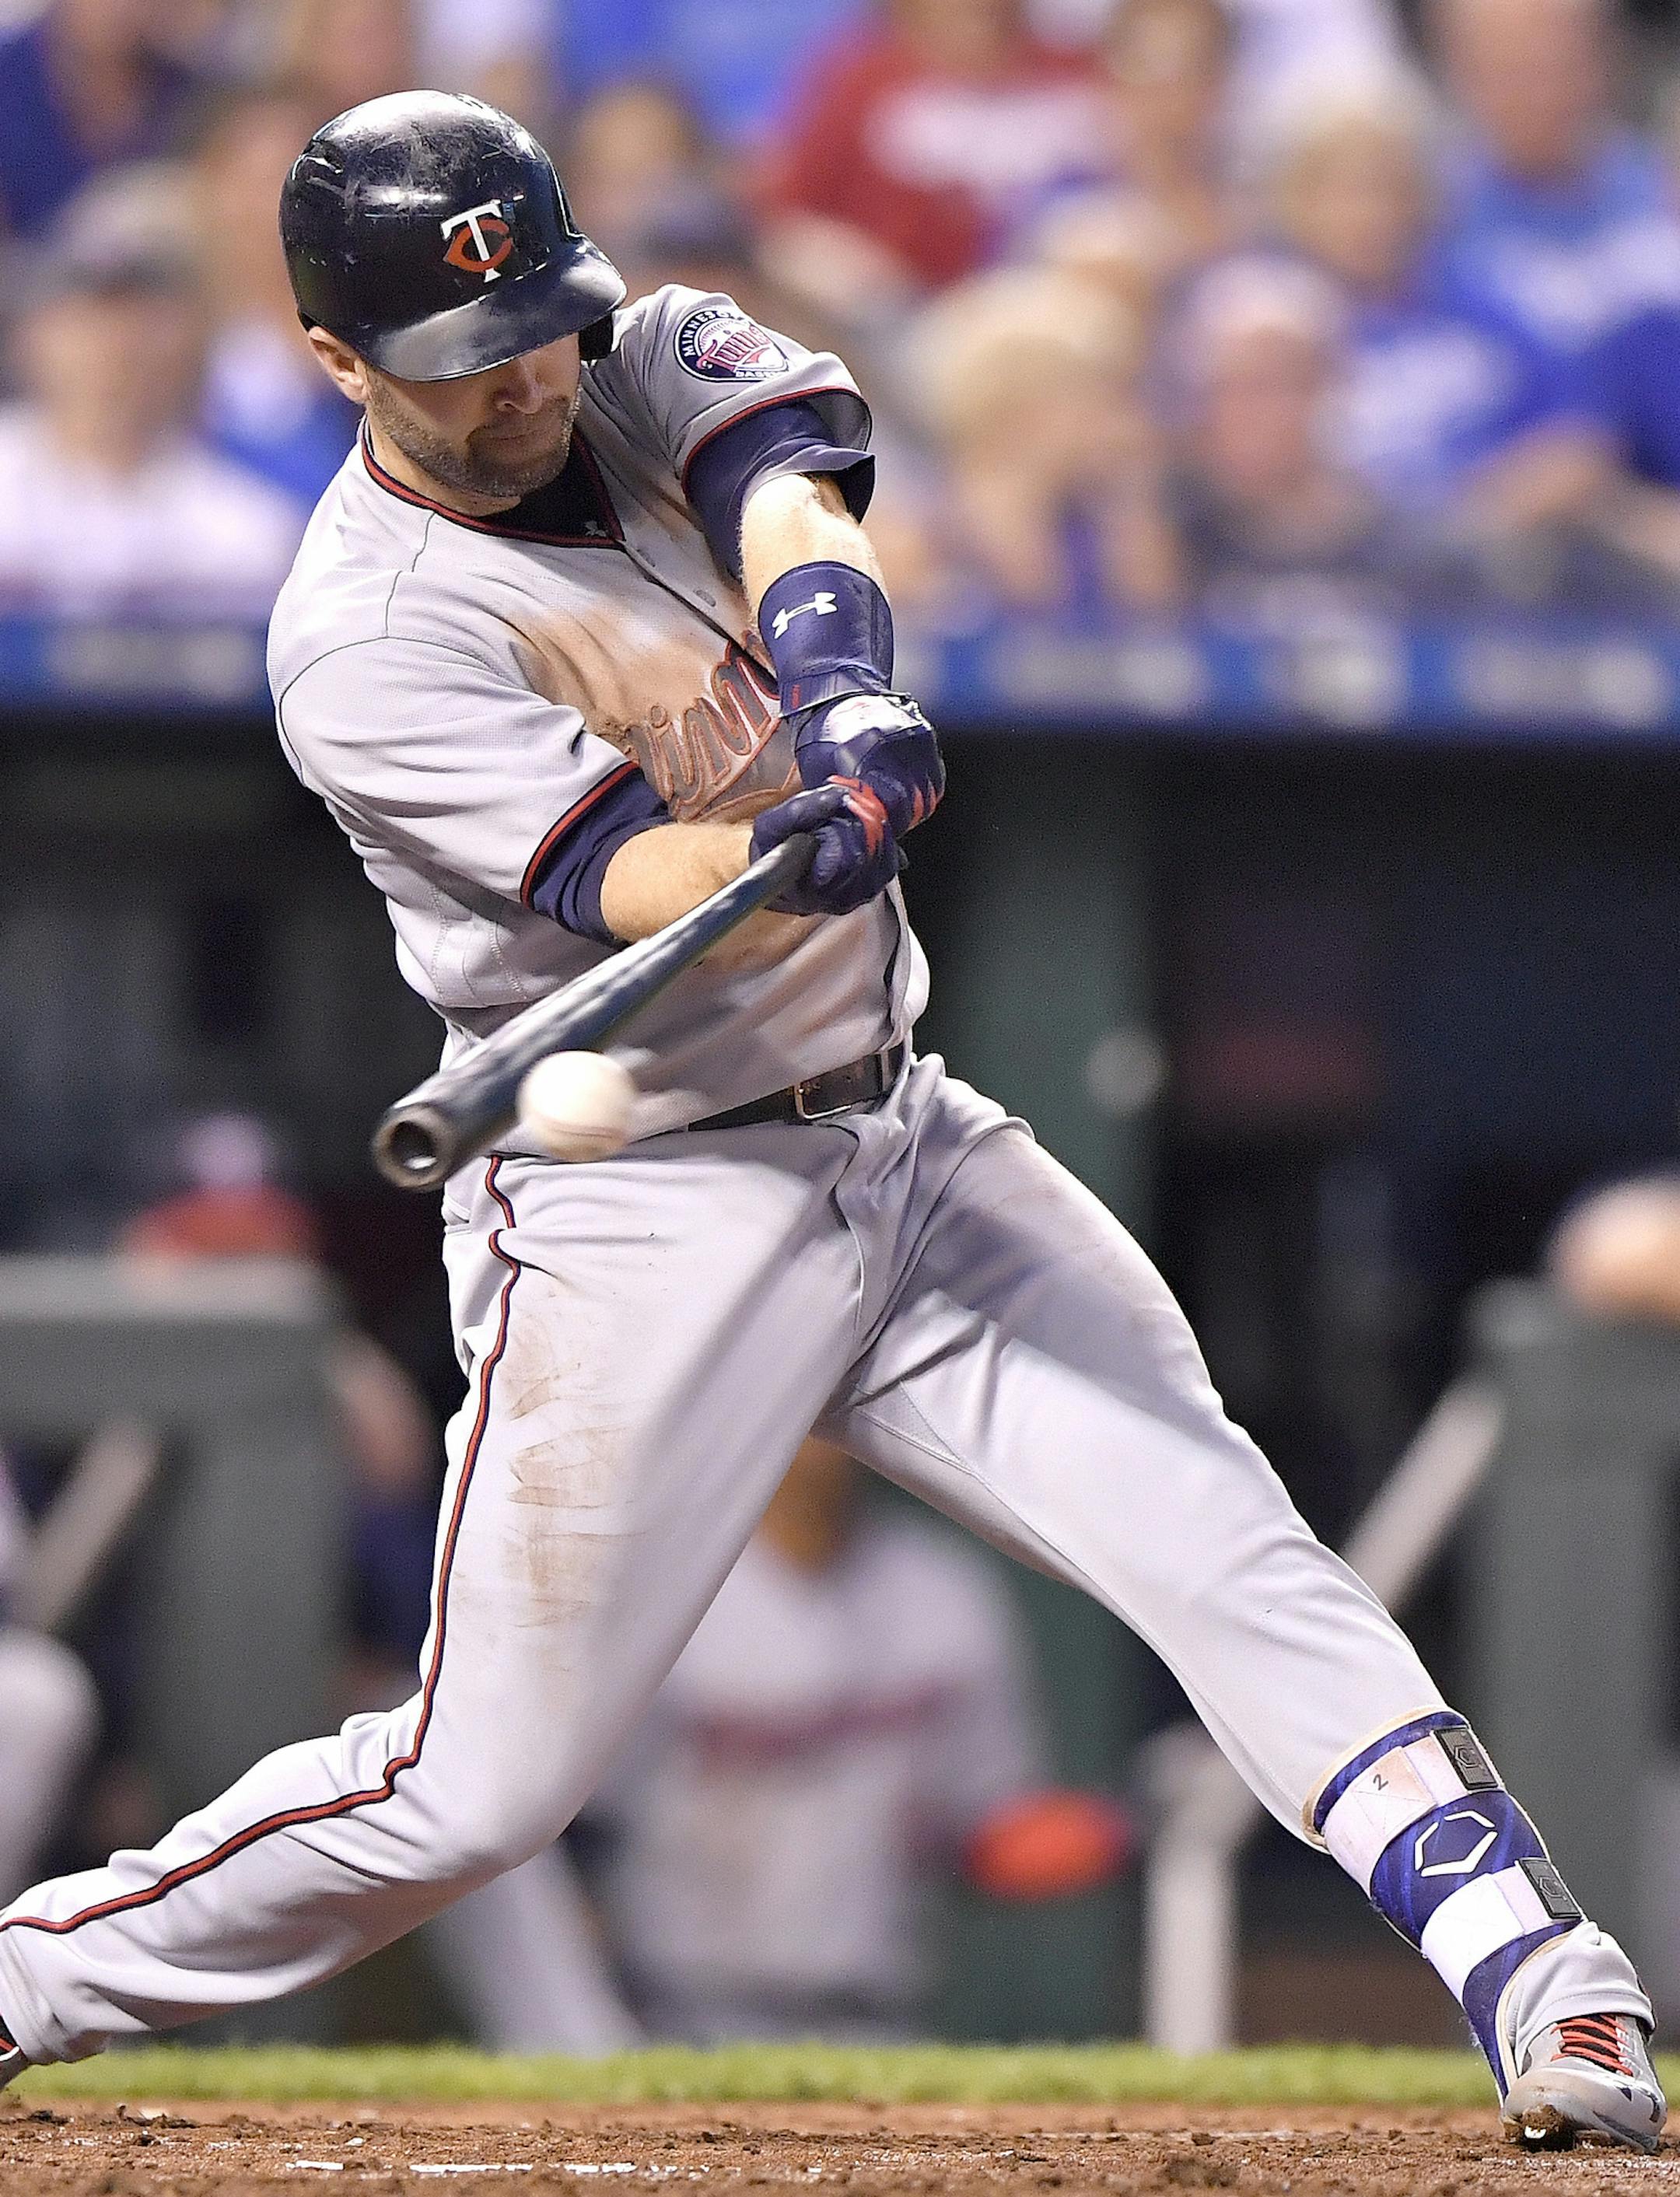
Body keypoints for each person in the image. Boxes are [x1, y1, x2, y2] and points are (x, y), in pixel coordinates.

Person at [0, 91, 1660, 2157]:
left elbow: (789, 492)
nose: (520, 379)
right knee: (477, 1791)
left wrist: (844, 691)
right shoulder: (361, 635)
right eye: (458, 358)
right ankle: (28, 1979)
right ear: (336, 360)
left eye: (533, 323)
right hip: (644, 1202)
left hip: (910, 1139)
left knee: (1228, 1547)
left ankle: (1542, 1974)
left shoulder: (632, 345)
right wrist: (769, 842)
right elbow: (623, 884)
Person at [519, 1436, 1129, 2043]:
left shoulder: (942, 1591)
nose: (820, 1443)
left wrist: (1131, 1826)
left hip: (878, 2016)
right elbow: (569, 1823)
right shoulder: (661, 1585)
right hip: (670, 2011)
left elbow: (991, 1828)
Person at [1264, 85, 1614, 541]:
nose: (1366, 215)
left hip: (1489, 552)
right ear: (1300, 204)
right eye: (1342, 192)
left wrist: (1474, 521)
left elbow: (1581, 441)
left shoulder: (1479, 309)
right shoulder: (1271, 323)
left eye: (1385, 189)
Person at [0, 178, 304, 618]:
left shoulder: (248, 530)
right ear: (32, 334)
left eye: (143, 320)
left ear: (191, 343)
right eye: (92, 316)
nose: (116, 346)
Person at [763, 0, 1110, 291]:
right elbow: (788, 212)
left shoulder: (1078, 73)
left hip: (1062, 291)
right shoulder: (864, 79)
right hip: (902, 308)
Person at [1427, 0, 1680, 362]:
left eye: (1559, 62)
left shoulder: (1662, 179)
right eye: (1513, 70)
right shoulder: (1433, 221)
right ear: (1460, 76)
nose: (1540, 93)